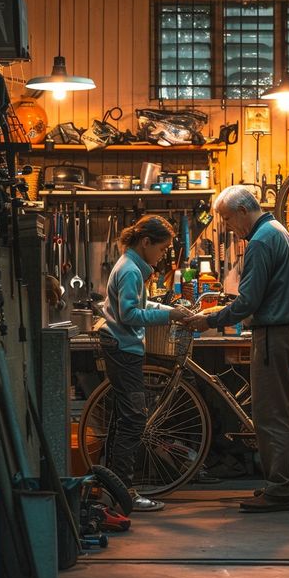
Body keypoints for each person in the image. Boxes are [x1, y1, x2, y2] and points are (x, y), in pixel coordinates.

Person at [185, 186, 289, 513]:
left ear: (241, 211)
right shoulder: (277, 229)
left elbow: (249, 301)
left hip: (273, 335)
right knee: (285, 412)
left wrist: (209, 320)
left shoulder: (260, 242)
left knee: (269, 415)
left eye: (226, 218)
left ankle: (279, 489)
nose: (227, 227)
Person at [99, 215, 192, 511]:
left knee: (124, 419)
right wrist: (169, 316)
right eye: (162, 249)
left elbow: (140, 306)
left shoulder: (132, 267)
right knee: (134, 420)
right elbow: (130, 315)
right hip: (123, 350)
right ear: (146, 242)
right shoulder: (130, 271)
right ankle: (124, 492)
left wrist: (169, 309)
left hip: (121, 348)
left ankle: (112, 489)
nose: (163, 255)